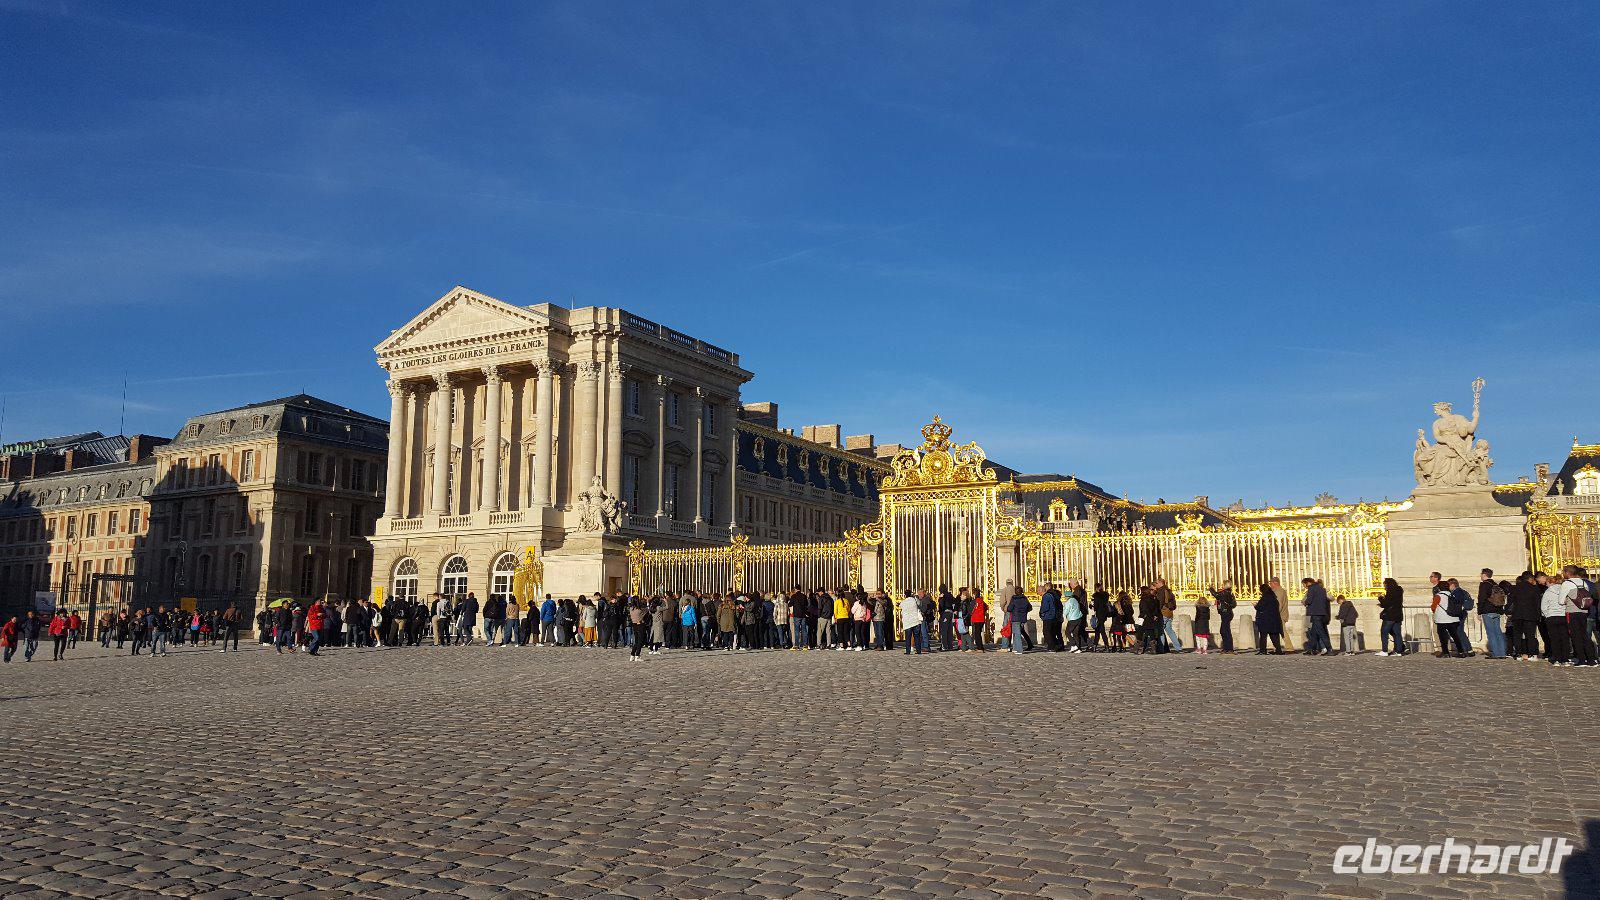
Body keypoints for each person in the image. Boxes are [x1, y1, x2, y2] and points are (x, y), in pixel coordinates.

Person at [1558, 565, 1598, 667]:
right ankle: (1591, 660)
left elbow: (1561, 601)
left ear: (1567, 573)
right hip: (1584, 611)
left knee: (1576, 636)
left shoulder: (1567, 583)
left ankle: (1581, 659)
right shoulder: (1584, 582)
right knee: (1585, 636)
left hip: (1572, 612)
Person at [1508, 572, 1543, 660]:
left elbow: (1510, 602)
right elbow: (1537, 603)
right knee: (1530, 635)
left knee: (1517, 635)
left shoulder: (1514, 588)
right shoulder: (1534, 588)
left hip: (1517, 615)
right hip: (1530, 615)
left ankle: (1519, 653)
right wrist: (1538, 615)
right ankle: (1532, 654)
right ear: (1530, 579)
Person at [1540, 573, 1571, 667]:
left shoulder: (1548, 592)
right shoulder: (1564, 590)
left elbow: (1543, 606)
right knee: (1564, 638)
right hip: (1563, 616)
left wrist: (1547, 615)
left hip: (1551, 617)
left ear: (1549, 582)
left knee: (1554, 639)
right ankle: (1565, 659)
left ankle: (1557, 659)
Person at [1302, 578, 1332, 656]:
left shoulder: (1311, 589)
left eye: (1304, 584)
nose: (1304, 586)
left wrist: (1305, 602)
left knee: (1321, 632)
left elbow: (1309, 600)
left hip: (1314, 613)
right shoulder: (1322, 589)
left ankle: (1329, 649)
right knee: (1313, 633)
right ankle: (1312, 649)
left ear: (1308, 583)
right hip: (1321, 613)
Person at [1377, 578, 1406, 656]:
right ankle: (1398, 651)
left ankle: (1384, 651)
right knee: (1397, 633)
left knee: (1384, 632)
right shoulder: (1399, 590)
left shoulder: (1390, 591)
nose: (1384, 587)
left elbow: (1387, 603)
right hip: (1398, 615)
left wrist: (1380, 598)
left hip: (1390, 615)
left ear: (1388, 584)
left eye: (1385, 585)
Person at [1431, 585, 1461, 658]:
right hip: (1453, 618)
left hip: (1442, 620)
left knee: (1442, 637)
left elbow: (1433, 607)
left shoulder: (1438, 596)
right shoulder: (1453, 594)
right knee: (1455, 636)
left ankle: (1446, 653)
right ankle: (1461, 652)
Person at [1254, 583, 1283, 654]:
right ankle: (1278, 650)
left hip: (1265, 619)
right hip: (1274, 619)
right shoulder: (1273, 597)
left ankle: (1263, 650)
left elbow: (1260, 607)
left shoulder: (1265, 597)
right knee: (1274, 636)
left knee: (1263, 635)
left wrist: (1255, 605)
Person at [1155, 579, 1182, 652]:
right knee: (1169, 630)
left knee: (1160, 630)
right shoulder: (1169, 590)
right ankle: (1178, 648)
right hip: (1169, 612)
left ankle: (1161, 648)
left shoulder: (1161, 591)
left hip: (1163, 612)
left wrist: (1156, 613)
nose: (1155, 585)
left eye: (1156, 583)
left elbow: (1160, 603)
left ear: (1161, 583)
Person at [1211, 582, 1236, 653]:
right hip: (1226, 612)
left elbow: (1216, 595)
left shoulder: (1225, 592)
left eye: (1223, 585)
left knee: (1225, 631)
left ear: (1225, 586)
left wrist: (1210, 589)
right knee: (1224, 630)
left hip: (1226, 613)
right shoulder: (1229, 592)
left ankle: (1229, 648)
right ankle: (1227, 648)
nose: (1221, 586)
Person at [1006, 586, 1031, 655]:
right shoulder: (1025, 598)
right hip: (1023, 618)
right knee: (1016, 632)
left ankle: (1019, 649)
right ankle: (1015, 648)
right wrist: (1024, 611)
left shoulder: (1014, 599)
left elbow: (1010, 608)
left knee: (1017, 634)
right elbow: (1030, 607)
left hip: (1016, 617)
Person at [1039, 583, 1063, 652]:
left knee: (1047, 632)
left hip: (1049, 616)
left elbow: (1045, 607)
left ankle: (1052, 646)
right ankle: (1057, 645)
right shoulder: (1054, 594)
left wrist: (1041, 613)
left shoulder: (1047, 595)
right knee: (1054, 632)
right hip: (1055, 615)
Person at [899, 591, 923, 655]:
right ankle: (918, 650)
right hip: (916, 621)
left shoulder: (903, 602)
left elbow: (900, 607)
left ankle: (908, 651)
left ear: (905, 595)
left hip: (908, 622)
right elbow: (920, 604)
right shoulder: (915, 600)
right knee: (917, 637)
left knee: (908, 637)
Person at [1063, 584, 1085, 653]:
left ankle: (1074, 645)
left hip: (1073, 619)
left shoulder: (1068, 602)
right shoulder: (1075, 600)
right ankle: (1078, 648)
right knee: (1076, 633)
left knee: (1067, 632)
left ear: (1067, 596)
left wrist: (1063, 616)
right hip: (1079, 618)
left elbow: (1066, 611)